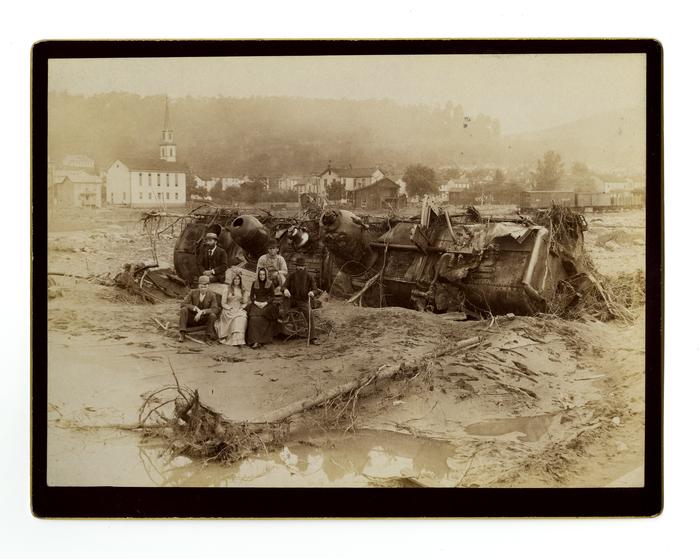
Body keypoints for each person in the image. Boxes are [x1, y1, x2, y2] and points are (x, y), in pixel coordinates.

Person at [283, 256, 322, 345]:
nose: (300, 268)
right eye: (298, 266)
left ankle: (313, 338)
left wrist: (312, 292)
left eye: (302, 266)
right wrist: (285, 290)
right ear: (296, 266)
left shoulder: (309, 277)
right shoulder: (292, 276)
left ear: (304, 267)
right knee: (281, 310)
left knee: (309, 314)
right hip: (292, 300)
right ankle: (282, 330)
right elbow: (284, 286)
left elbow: (315, 289)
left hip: (303, 301)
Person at [178, 275, 220, 342]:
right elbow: (183, 304)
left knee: (213, 315)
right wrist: (195, 308)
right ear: (198, 286)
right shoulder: (193, 292)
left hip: (203, 320)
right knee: (183, 309)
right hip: (193, 318)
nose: (203, 289)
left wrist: (202, 311)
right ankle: (182, 333)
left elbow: (215, 309)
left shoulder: (212, 295)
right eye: (201, 287)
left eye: (205, 287)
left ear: (208, 286)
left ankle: (208, 335)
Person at [246, 267, 278, 349]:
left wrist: (265, 303)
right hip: (257, 302)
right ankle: (254, 341)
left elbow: (272, 297)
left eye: (263, 274)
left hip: (266, 303)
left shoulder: (270, 283)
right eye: (260, 274)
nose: (262, 276)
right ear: (258, 275)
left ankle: (262, 340)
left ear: (266, 275)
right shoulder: (254, 283)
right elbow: (251, 296)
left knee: (262, 318)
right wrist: (256, 302)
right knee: (253, 319)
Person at [215, 273, 248, 346]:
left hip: (238, 308)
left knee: (242, 318)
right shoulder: (227, 289)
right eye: (235, 279)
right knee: (232, 318)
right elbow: (223, 303)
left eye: (238, 279)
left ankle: (239, 340)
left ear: (240, 280)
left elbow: (245, 302)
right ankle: (229, 338)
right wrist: (229, 308)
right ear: (232, 280)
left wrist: (242, 307)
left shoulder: (243, 289)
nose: (237, 280)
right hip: (229, 309)